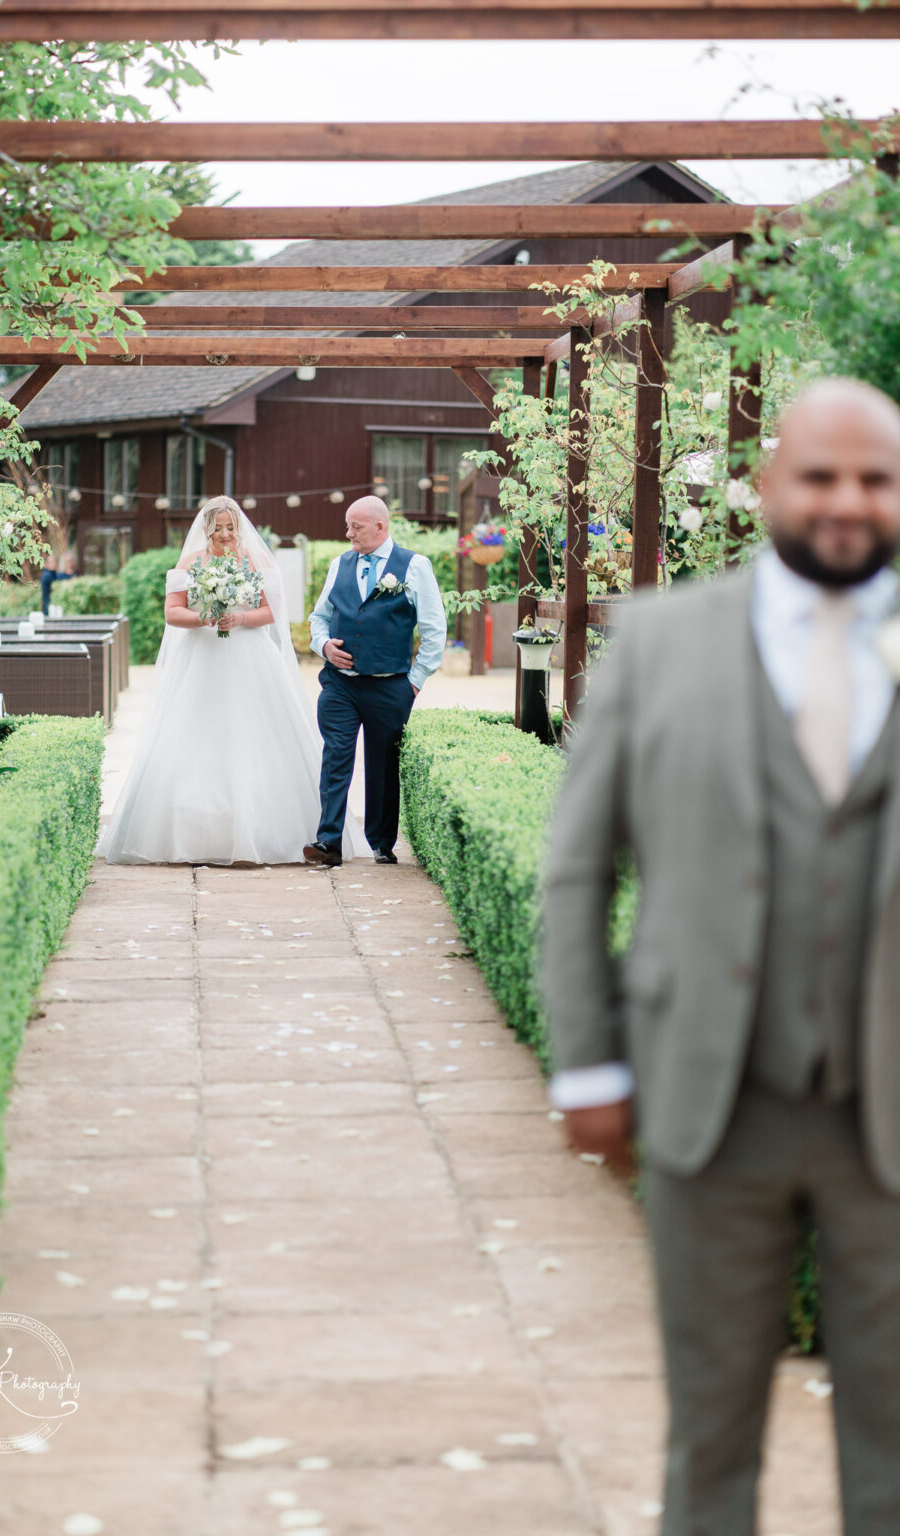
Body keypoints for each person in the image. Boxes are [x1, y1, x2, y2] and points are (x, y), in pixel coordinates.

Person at [543, 378, 900, 1536]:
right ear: (766, 487)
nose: (847, 501)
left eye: (876, 479)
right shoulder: (659, 639)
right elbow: (578, 866)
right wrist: (590, 1066)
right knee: (710, 1430)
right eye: (821, 476)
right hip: (711, 1098)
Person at [99, 496, 352, 866]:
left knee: (253, 735)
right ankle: (194, 832)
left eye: (230, 527)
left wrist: (240, 619)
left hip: (249, 658)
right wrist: (205, 616)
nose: (225, 534)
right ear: (206, 529)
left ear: (239, 528)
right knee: (196, 735)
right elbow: (172, 612)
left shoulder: (253, 560)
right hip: (201, 659)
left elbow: (271, 612)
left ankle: (262, 830)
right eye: (217, 527)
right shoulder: (190, 562)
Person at [304, 495, 447, 867]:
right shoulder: (340, 563)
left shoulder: (415, 566)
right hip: (340, 684)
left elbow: (434, 630)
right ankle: (328, 841)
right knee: (336, 755)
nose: (347, 532)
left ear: (380, 527)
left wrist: (413, 683)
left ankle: (382, 843)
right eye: (348, 525)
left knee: (383, 765)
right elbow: (319, 617)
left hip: (390, 685)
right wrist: (323, 646)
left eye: (356, 526)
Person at [40, 549, 77, 615]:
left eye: (54, 562)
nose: (54, 564)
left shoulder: (53, 573)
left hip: (53, 605)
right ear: (46, 564)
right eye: (51, 562)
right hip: (49, 606)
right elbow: (57, 583)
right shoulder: (47, 575)